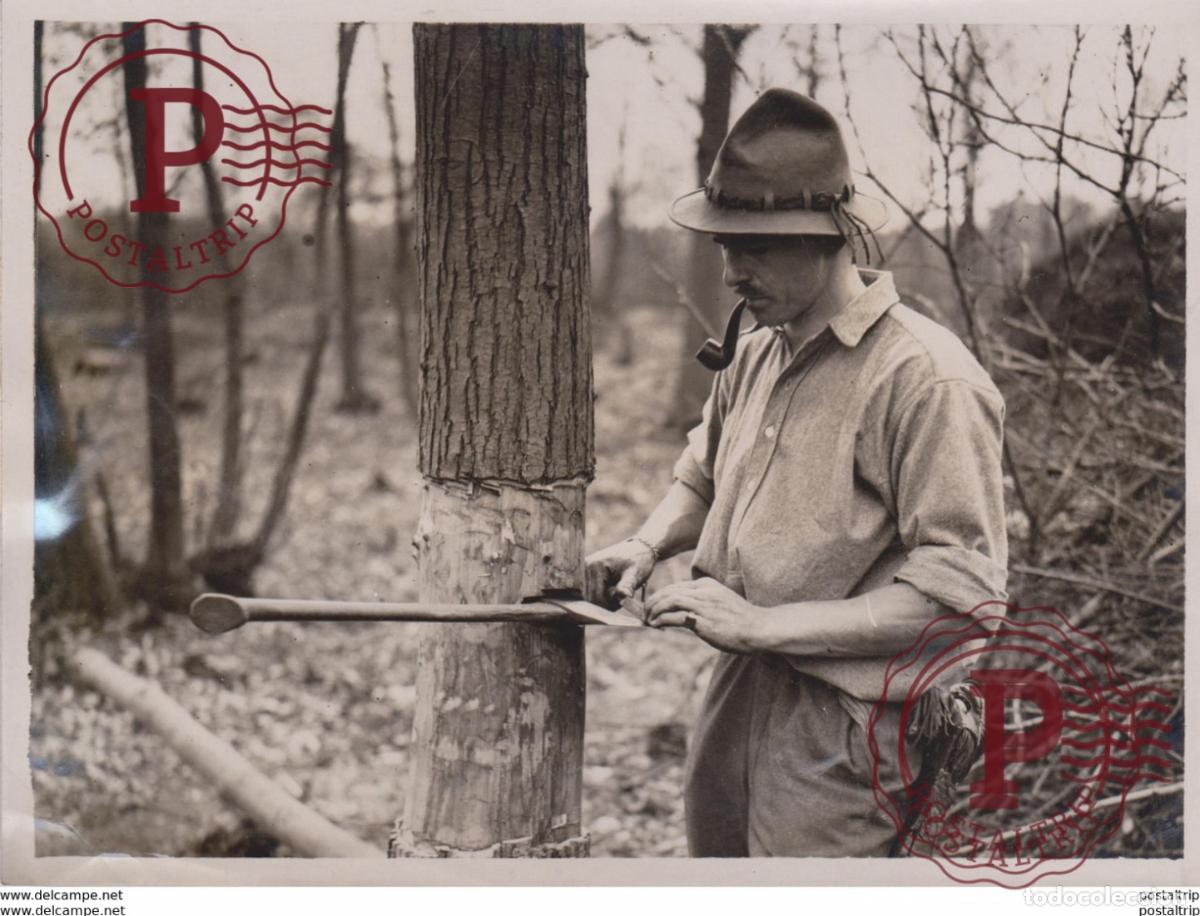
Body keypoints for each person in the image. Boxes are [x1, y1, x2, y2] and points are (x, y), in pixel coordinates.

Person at [584, 89, 1009, 857]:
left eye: (759, 246)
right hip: (740, 689)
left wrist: (763, 625)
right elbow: (702, 476)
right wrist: (645, 546)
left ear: (831, 239)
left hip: (847, 724)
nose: (733, 270)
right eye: (725, 245)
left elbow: (961, 602)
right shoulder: (754, 352)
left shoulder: (925, 379)